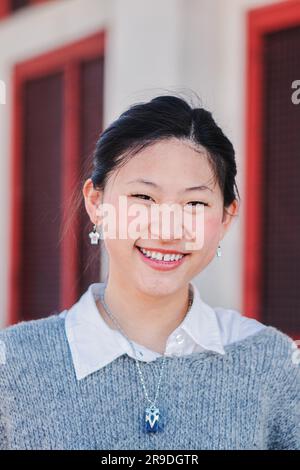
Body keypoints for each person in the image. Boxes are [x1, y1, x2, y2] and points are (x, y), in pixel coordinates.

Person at [0, 95, 299, 450]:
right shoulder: (13, 363)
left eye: (195, 203)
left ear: (225, 218)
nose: (168, 230)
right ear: (97, 203)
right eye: (143, 198)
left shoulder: (272, 361)